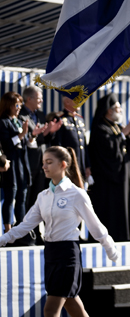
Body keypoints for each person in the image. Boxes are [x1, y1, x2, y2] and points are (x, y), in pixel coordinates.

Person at [0, 146, 119, 317]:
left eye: (49, 162)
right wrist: (2, 239)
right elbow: (26, 225)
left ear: (63, 165)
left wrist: (109, 247)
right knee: (74, 307)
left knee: (51, 308)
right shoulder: (43, 196)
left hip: (68, 255)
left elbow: (95, 226)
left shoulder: (76, 194)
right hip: (51, 253)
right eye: (43, 162)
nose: (44, 165)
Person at [88, 93, 130, 242]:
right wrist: (124, 133)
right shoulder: (101, 128)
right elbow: (109, 149)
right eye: (117, 107)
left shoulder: (116, 127)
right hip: (107, 179)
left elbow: (125, 148)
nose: (120, 110)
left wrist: (129, 135)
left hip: (122, 175)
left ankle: (126, 235)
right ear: (109, 110)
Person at [19, 86, 58, 246]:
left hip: (42, 164)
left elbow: (44, 140)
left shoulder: (41, 115)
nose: (41, 101)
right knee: (27, 201)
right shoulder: (21, 116)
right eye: (39, 98)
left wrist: (50, 131)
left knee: (40, 200)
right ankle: (27, 234)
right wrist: (36, 134)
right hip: (28, 164)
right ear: (29, 99)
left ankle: (37, 233)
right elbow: (24, 139)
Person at [0, 91, 32, 234]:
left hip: (21, 162)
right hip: (10, 163)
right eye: (16, 104)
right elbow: (6, 145)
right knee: (10, 195)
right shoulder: (3, 122)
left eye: (20, 104)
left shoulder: (18, 121)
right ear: (9, 105)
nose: (19, 107)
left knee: (22, 195)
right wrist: (21, 135)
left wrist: (31, 136)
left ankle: (21, 230)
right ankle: (8, 230)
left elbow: (24, 144)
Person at [51, 96, 90, 182]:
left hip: (81, 164)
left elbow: (84, 145)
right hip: (69, 165)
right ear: (67, 102)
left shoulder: (80, 119)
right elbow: (58, 144)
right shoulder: (59, 118)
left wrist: (87, 165)